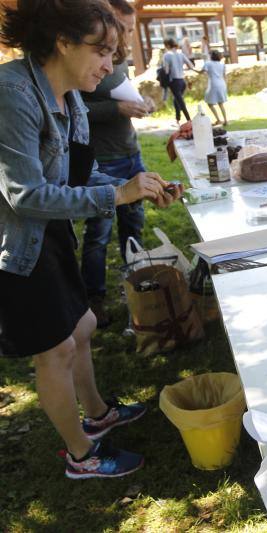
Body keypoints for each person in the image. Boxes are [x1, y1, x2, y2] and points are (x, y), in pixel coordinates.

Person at [0, 0, 183, 479]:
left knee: (82, 326)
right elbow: (25, 195)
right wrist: (117, 195)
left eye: (113, 53)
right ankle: (81, 455)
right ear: (63, 42)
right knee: (55, 349)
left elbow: (79, 175)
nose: (109, 66)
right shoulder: (12, 92)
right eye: (102, 51)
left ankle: (98, 413)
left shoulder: (72, 97)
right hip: (17, 245)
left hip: (50, 233)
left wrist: (139, 187)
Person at [80, 0, 155, 328]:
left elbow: (124, 96)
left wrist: (142, 103)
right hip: (103, 161)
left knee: (134, 225)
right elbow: (76, 107)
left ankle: (134, 288)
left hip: (131, 153)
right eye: (122, 28)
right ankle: (94, 299)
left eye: (130, 29)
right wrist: (117, 110)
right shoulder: (89, 59)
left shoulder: (119, 60)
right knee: (98, 235)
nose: (126, 36)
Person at [162, 37, 193, 125]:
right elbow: (190, 65)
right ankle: (177, 120)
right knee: (176, 100)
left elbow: (166, 71)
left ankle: (189, 120)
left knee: (180, 101)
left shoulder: (167, 55)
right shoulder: (181, 54)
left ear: (168, 45)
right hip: (182, 81)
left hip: (174, 81)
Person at [201, 50, 228, 126]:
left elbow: (201, 72)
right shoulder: (222, 64)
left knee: (210, 103)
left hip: (213, 84)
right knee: (221, 103)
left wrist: (192, 69)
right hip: (222, 84)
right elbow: (224, 76)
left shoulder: (208, 63)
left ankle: (218, 120)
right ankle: (225, 120)